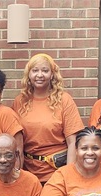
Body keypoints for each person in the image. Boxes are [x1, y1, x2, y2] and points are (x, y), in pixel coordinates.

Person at [13, 53, 84, 183]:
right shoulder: (20, 101)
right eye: (35, 70)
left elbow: (73, 143)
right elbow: (16, 142)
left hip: (56, 172)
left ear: (52, 75)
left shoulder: (64, 100)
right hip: (28, 172)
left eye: (45, 71)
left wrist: (68, 176)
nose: (40, 75)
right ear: (29, 75)